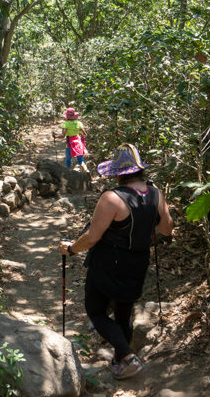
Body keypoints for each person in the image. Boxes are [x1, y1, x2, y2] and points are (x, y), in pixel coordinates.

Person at [58, 143, 174, 380]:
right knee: (124, 312)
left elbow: (92, 237)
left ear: (118, 173)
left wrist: (70, 249)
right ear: (139, 169)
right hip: (138, 261)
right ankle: (120, 362)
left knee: (96, 311)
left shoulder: (112, 198)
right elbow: (166, 229)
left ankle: (128, 356)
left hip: (108, 263)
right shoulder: (155, 193)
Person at [53, 107, 88, 172]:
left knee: (68, 159)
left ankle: (68, 173)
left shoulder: (66, 124)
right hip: (78, 141)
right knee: (80, 160)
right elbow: (85, 133)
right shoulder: (79, 123)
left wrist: (56, 136)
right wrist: (77, 131)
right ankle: (86, 170)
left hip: (70, 142)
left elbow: (63, 136)